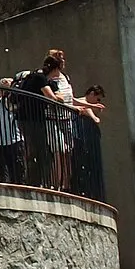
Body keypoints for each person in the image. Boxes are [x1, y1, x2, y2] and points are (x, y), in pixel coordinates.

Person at [39, 49, 77, 190]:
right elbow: (54, 98)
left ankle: (66, 184)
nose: (63, 61)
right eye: (60, 59)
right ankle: (56, 184)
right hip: (53, 119)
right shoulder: (48, 79)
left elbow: (70, 99)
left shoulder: (65, 77)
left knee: (67, 153)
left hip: (66, 118)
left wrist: (87, 105)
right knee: (58, 151)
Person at [71, 84, 107, 200]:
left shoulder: (88, 105)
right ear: (92, 94)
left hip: (84, 139)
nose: (98, 101)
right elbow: (86, 109)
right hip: (78, 137)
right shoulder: (82, 102)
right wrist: (94, 117)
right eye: (98, 98)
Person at [0, 78, 24, 183]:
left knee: (16, 169)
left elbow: (12, 108)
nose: (2, 91)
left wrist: (10, 95)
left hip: (14, 140)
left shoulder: (15, 102)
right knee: (2, 170)